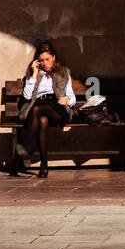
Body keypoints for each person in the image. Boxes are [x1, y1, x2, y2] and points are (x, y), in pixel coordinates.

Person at [15, 40, 76, 177]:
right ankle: (44, 166)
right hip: (38, 106)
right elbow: (27, 96)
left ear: (53, 57)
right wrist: (34, 74)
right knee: (42, 120)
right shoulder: (33, 73)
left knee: (38, 111)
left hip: (57, 109)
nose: (45, 63)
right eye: (41, 60)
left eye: (47, 59)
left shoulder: (63, 72)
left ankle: (28, 147)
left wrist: (67, 100)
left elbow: (72, 97)